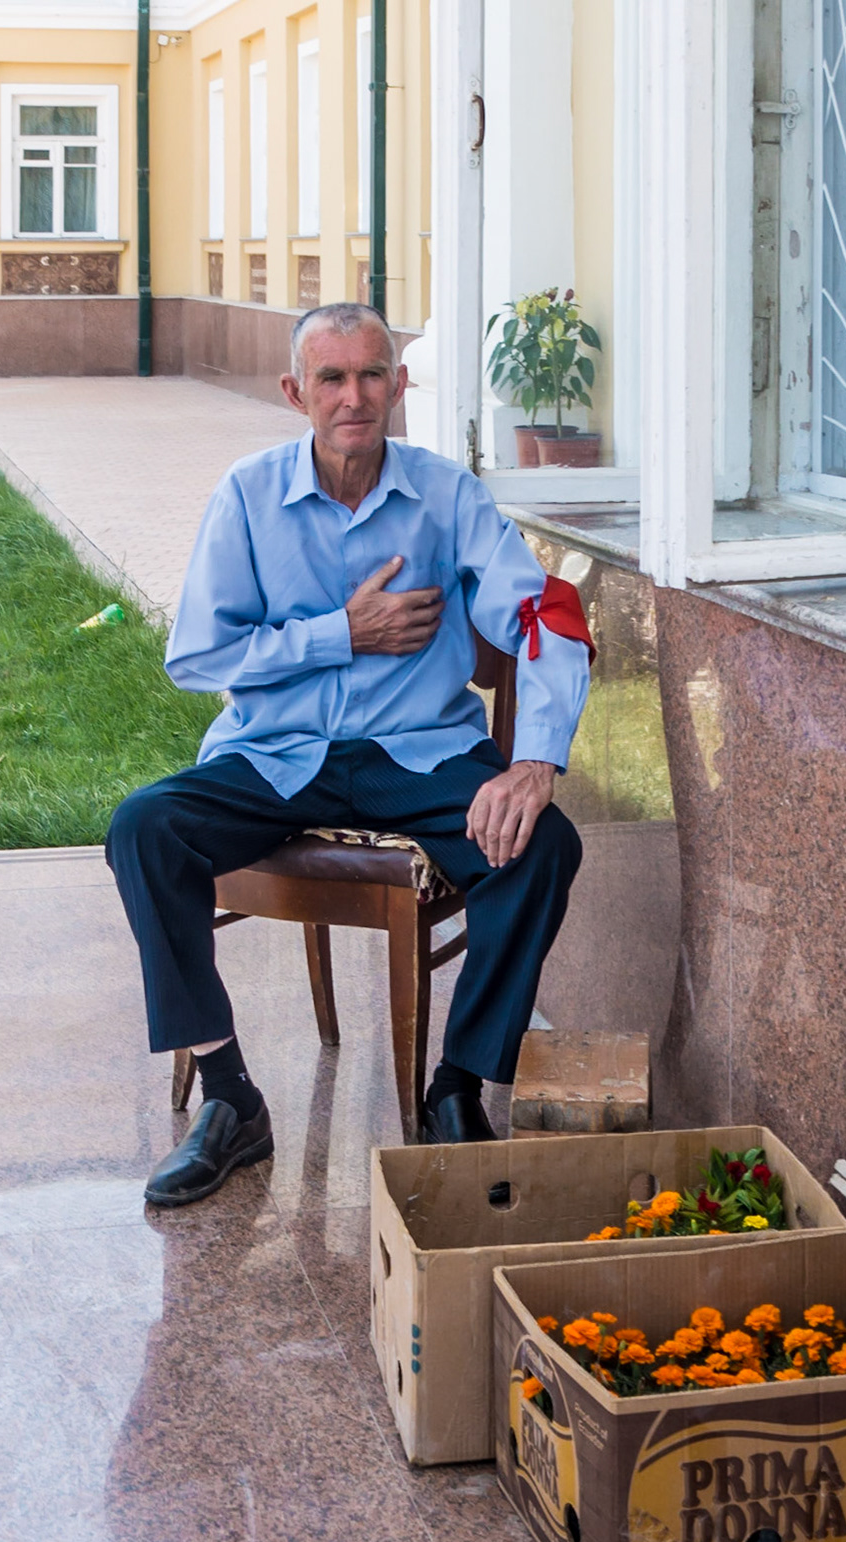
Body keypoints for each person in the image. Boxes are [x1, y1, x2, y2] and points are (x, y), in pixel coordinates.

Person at [106, 302, 592, 1207]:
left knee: (545, 845)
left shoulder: (447, 495)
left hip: (418, 752)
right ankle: (230, 1096)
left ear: (399, 386)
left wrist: (535, 761)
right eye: (331, 378)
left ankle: (456, 1088)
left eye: (372, 373)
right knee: (144, 828)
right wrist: (340, 634)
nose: (353, 396)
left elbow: (541, 614)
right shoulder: (248, 495)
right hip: (279, 755)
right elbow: (197, 655)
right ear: (296, 392)